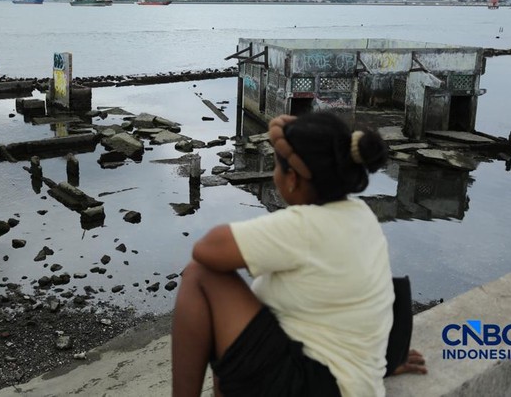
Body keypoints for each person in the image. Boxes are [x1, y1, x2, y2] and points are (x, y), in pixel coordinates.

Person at [171, 111, 426, 397]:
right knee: (236, 343)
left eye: (277, 167)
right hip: (353, 383)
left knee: (199, 274)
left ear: (292, 179)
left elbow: (206, 250)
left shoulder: (305, 227)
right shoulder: (361, 215)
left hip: (316, 386)